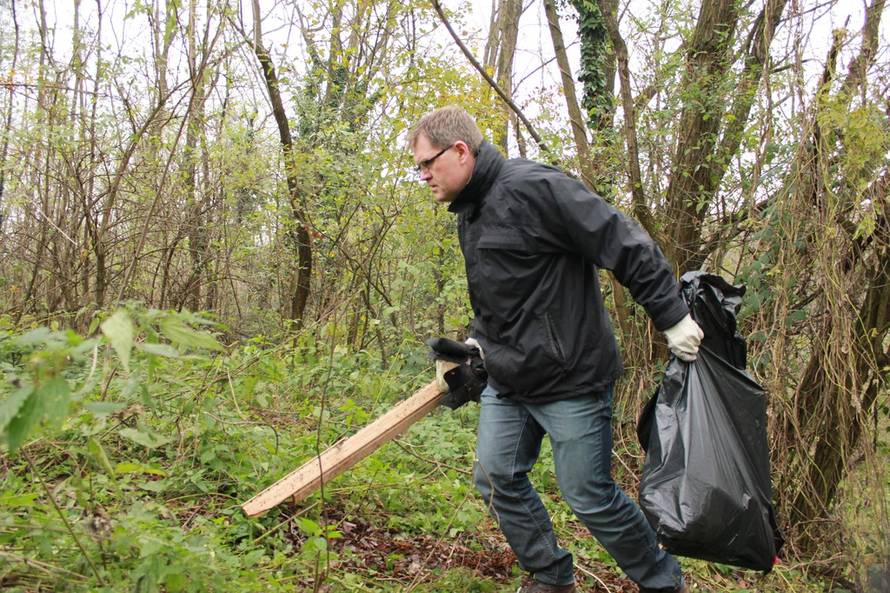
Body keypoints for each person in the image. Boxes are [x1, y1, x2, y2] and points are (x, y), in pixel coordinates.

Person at [410, 106, 702, 593]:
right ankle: (550, 576)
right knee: (496, 477)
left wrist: (671, 315)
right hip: (510, 378)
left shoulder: (537, 188)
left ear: (460, 151)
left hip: (571, 378)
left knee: (589, 495)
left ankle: (663, 583)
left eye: (426, 163)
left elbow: (622, 240)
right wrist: (478, 343)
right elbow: (501, 293)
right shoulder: (469, 212)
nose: (422, 175)